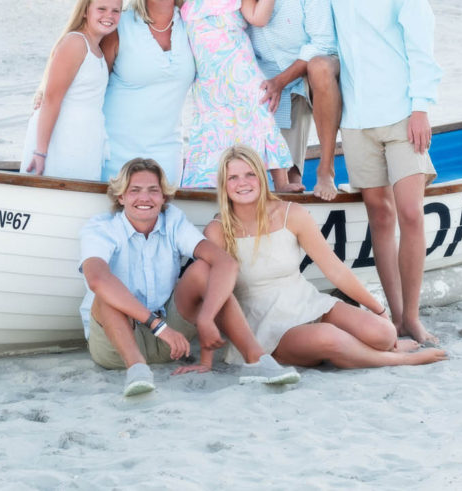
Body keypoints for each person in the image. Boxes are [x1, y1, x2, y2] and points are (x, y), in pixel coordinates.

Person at [199, 145, 447, 369]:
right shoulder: (217, 230)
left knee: (382, 333)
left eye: (250, 174)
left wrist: (380, 311)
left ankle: (377, 346)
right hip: (266, 325)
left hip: (307, 304)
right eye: (233, 177)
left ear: (262, 178)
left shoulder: (291, 214)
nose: (243, 183)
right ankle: (397, 359)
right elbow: (217, 293)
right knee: (329, 336)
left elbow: (335, 270)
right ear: (224, 184)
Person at [323, 0, 444, 346]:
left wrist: (421, 107)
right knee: (379, 215)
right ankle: (395, 318)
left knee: (411, 212)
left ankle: (413, 317)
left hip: (401, 116)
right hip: (356, 123)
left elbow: (421, 49)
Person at [79, 157, 301, 396]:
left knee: (204, 270)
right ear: (121, 197)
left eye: (153, 190)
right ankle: (137, 370)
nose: (145, 198)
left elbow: (225, 263)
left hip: (171, 344)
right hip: (116, 347)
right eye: (134, 191)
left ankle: (256, 361)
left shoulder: (172, 220)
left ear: (163, 197)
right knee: (104, 294)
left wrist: (206, 318)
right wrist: (158, 326)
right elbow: (97, 280)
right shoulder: (101, 228)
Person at [224, 0, 343, 201]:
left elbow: (323, 43)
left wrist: (280, 81)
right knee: (284, 176)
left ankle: (326, 169)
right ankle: (291, 179)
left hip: (317, 68)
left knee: (318, 68)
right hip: (273, 79)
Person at [177, 0, 299, 192]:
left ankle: (281, 182)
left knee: (259, 120)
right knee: (213, 129)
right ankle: (208, 186)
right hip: (208, 82)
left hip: (242, 74)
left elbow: (259, 17)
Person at [101, 0, 196, 184]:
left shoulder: (193, 22)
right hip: (115, 150)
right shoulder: (121, 25)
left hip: (167, 150)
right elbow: (90, 77)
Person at [20, 0, 121, 180]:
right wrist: (41, 151)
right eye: (101, 9)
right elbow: (52, 99)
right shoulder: (76, 42)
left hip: (85, 137)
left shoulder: (98, 49)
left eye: (115, 11)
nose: (109, 15)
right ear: (85, 11)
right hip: (63, 137)